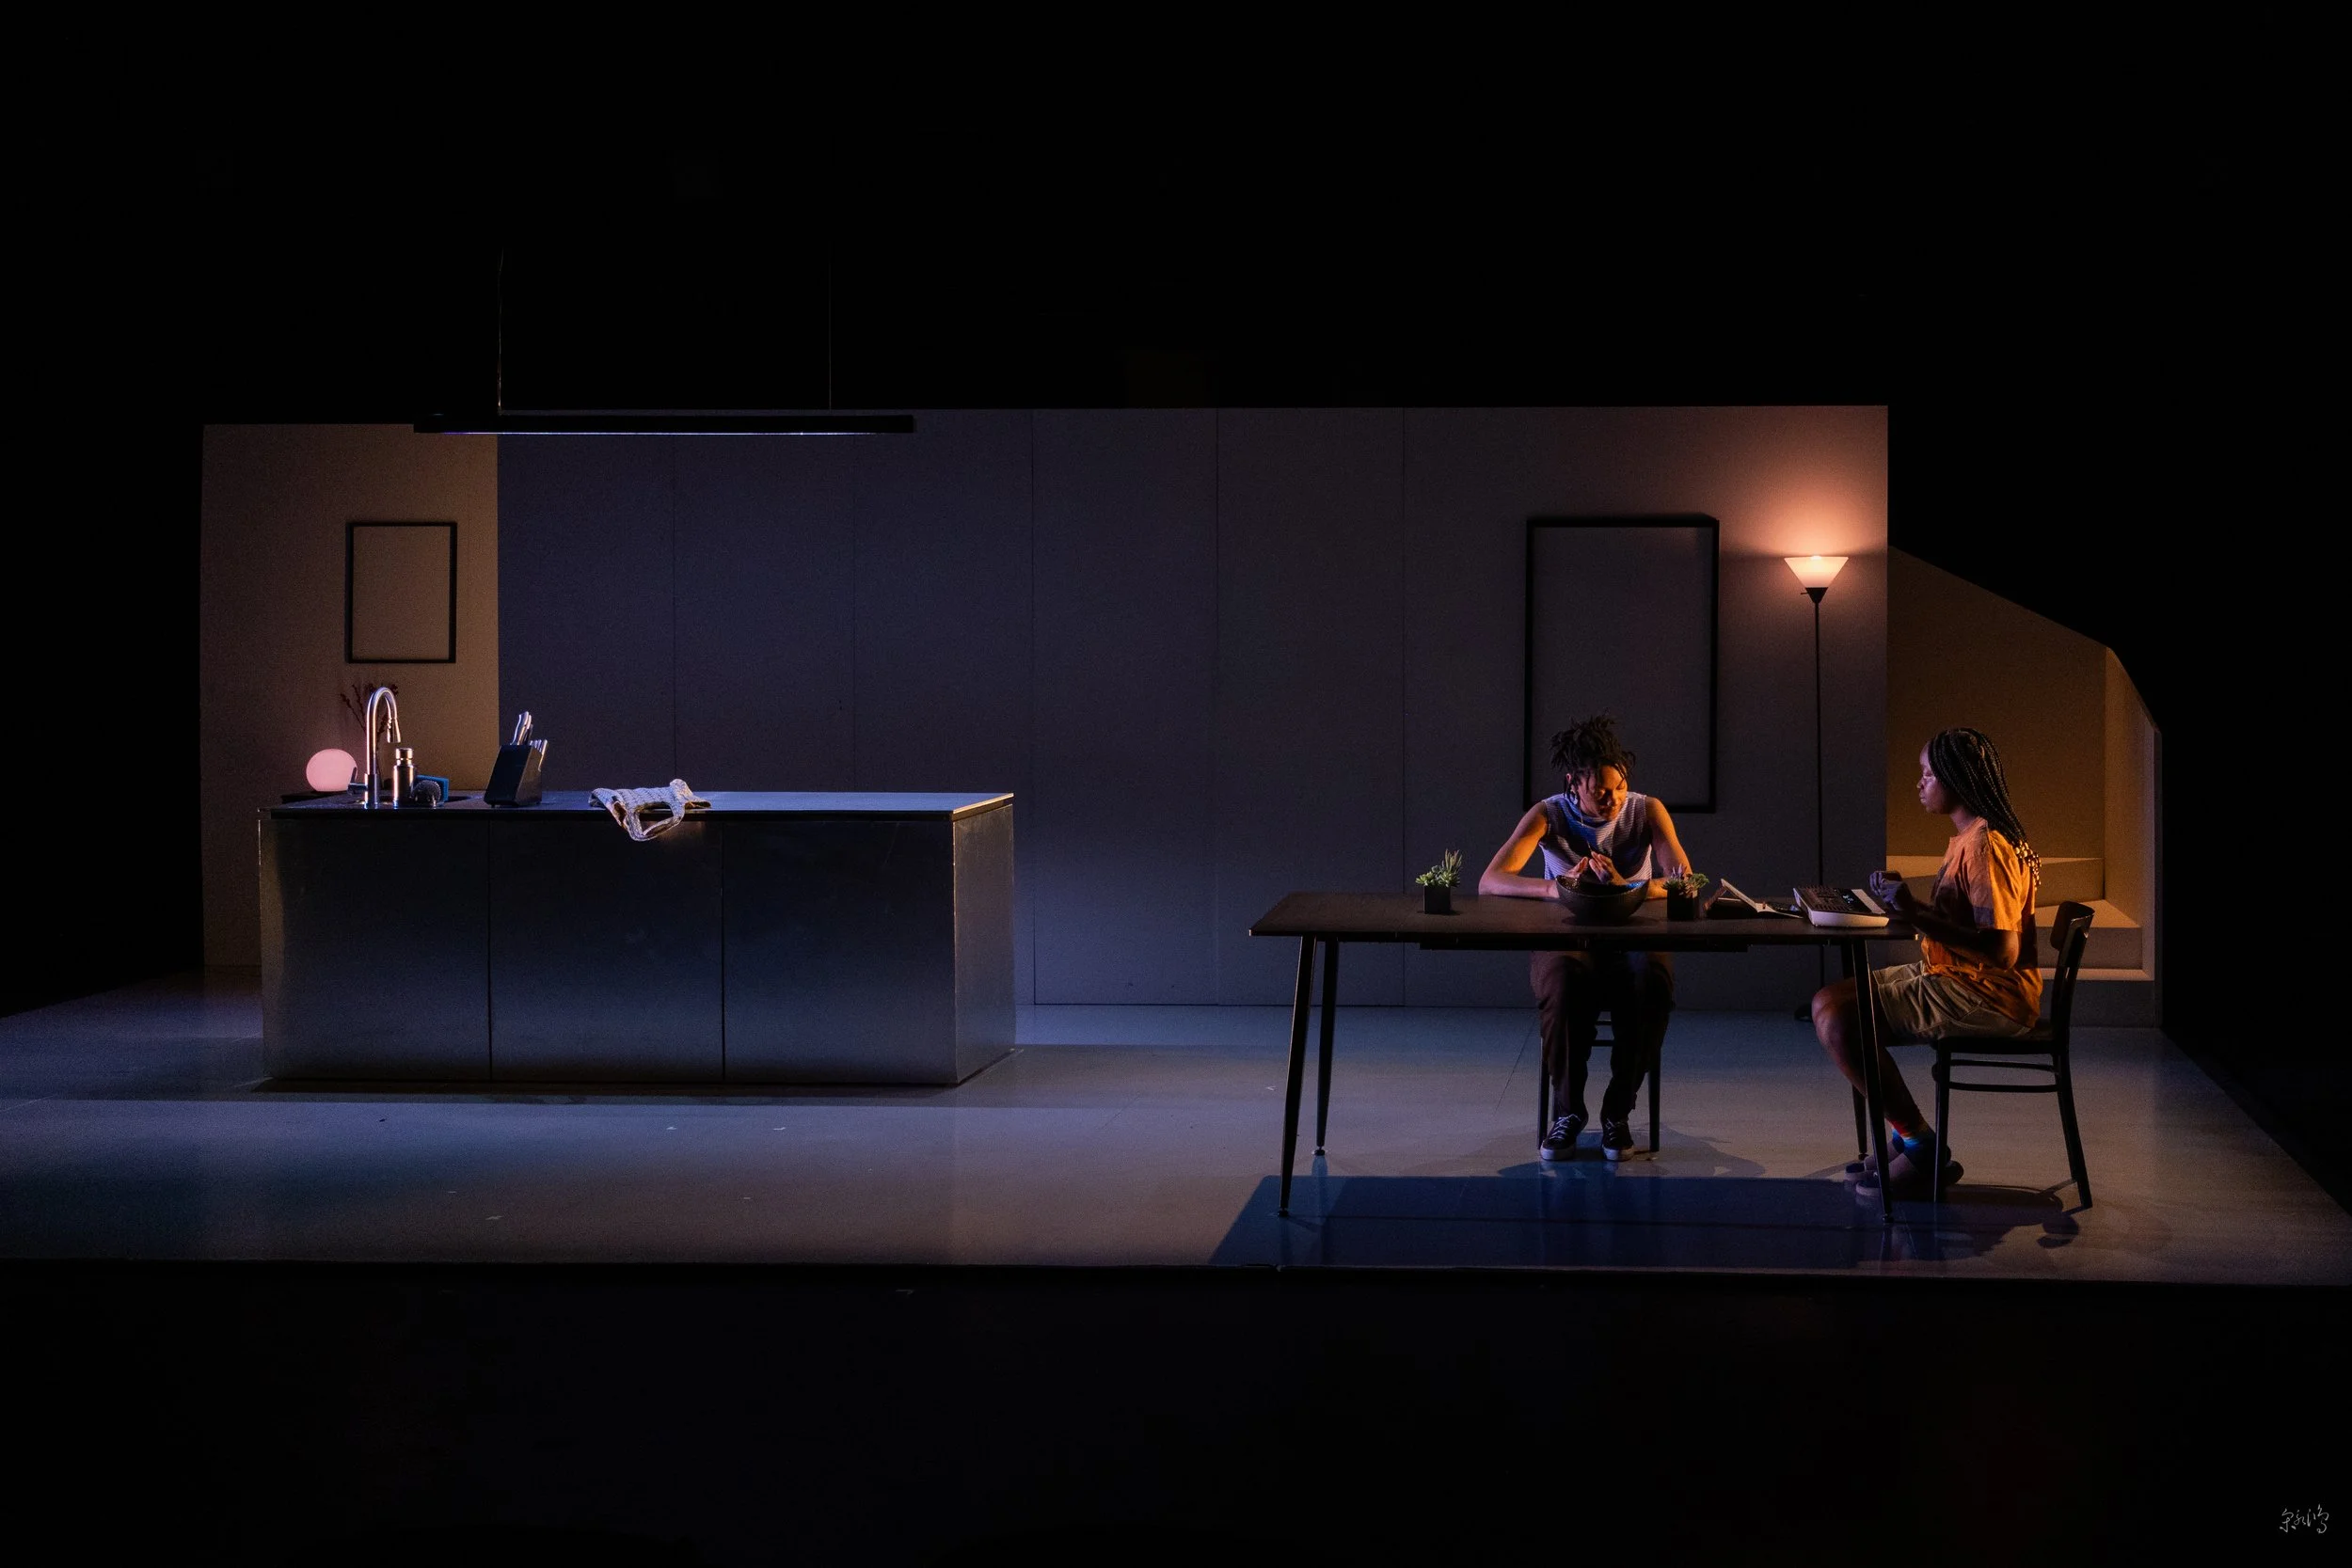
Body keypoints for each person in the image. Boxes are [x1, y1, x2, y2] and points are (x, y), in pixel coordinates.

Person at [1811, 726, 2043, 1196]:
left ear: (1958, 780)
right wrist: (1909, 904)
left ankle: (1919, 1145)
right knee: (1827, 1001)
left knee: (1839, 1020)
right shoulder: (1968, 838)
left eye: (1928, 774)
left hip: (1987, 994)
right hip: (1953, 975)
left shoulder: (1985, 845)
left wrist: (1914, 912)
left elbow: (2002, 952)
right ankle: (1906, 1133)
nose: (1920, 783)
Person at [1480, 714, 1696, 1163]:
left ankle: (1617, 1111)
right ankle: (1569, 1112)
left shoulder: (1646, 810)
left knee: (1653, 978)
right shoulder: (1550, 813)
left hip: (1632, 935)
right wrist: (1560, 888)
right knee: (1560, 983)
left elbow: (1685, 884)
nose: (1613, 799)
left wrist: (1624, 888)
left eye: (1618, 787)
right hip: (1568, 936)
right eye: (1600, 790)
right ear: (1573, 783)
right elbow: (1491, 880)